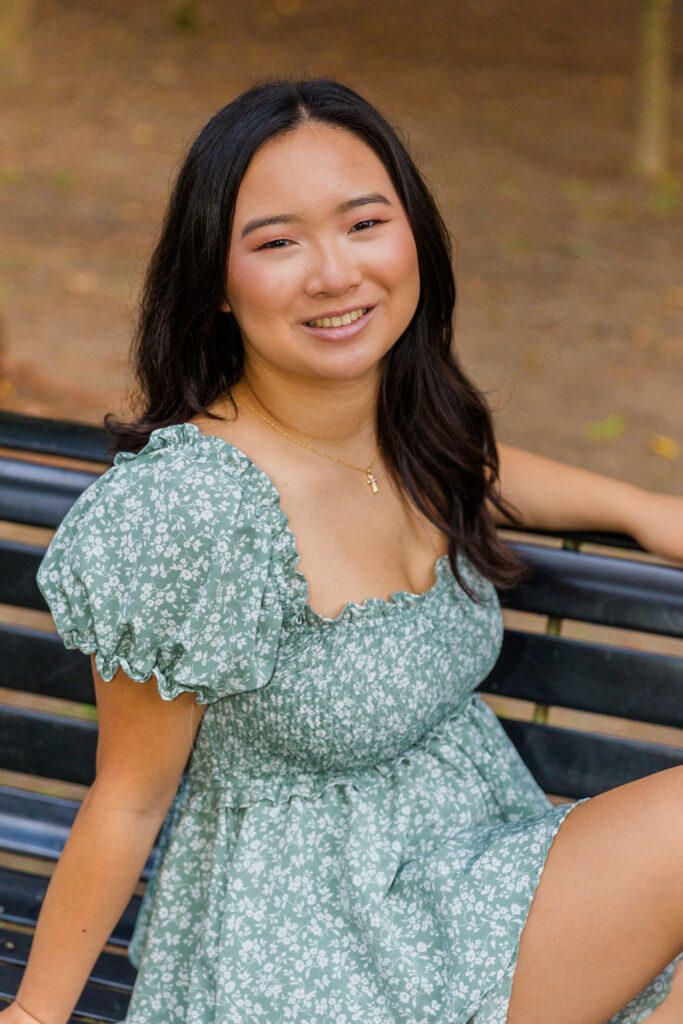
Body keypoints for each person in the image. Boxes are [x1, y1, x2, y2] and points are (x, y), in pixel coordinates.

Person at [4, 78, 681, 1024]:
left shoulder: (401, 427)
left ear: (415, 238)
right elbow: (128, 798)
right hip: (320, 945)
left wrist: (644, 507)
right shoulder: (196, 509)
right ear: (215, 284)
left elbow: (477, 460)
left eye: (364, 223)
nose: (335, 273)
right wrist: (34, 1017)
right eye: (277, 242)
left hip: (480, 876)